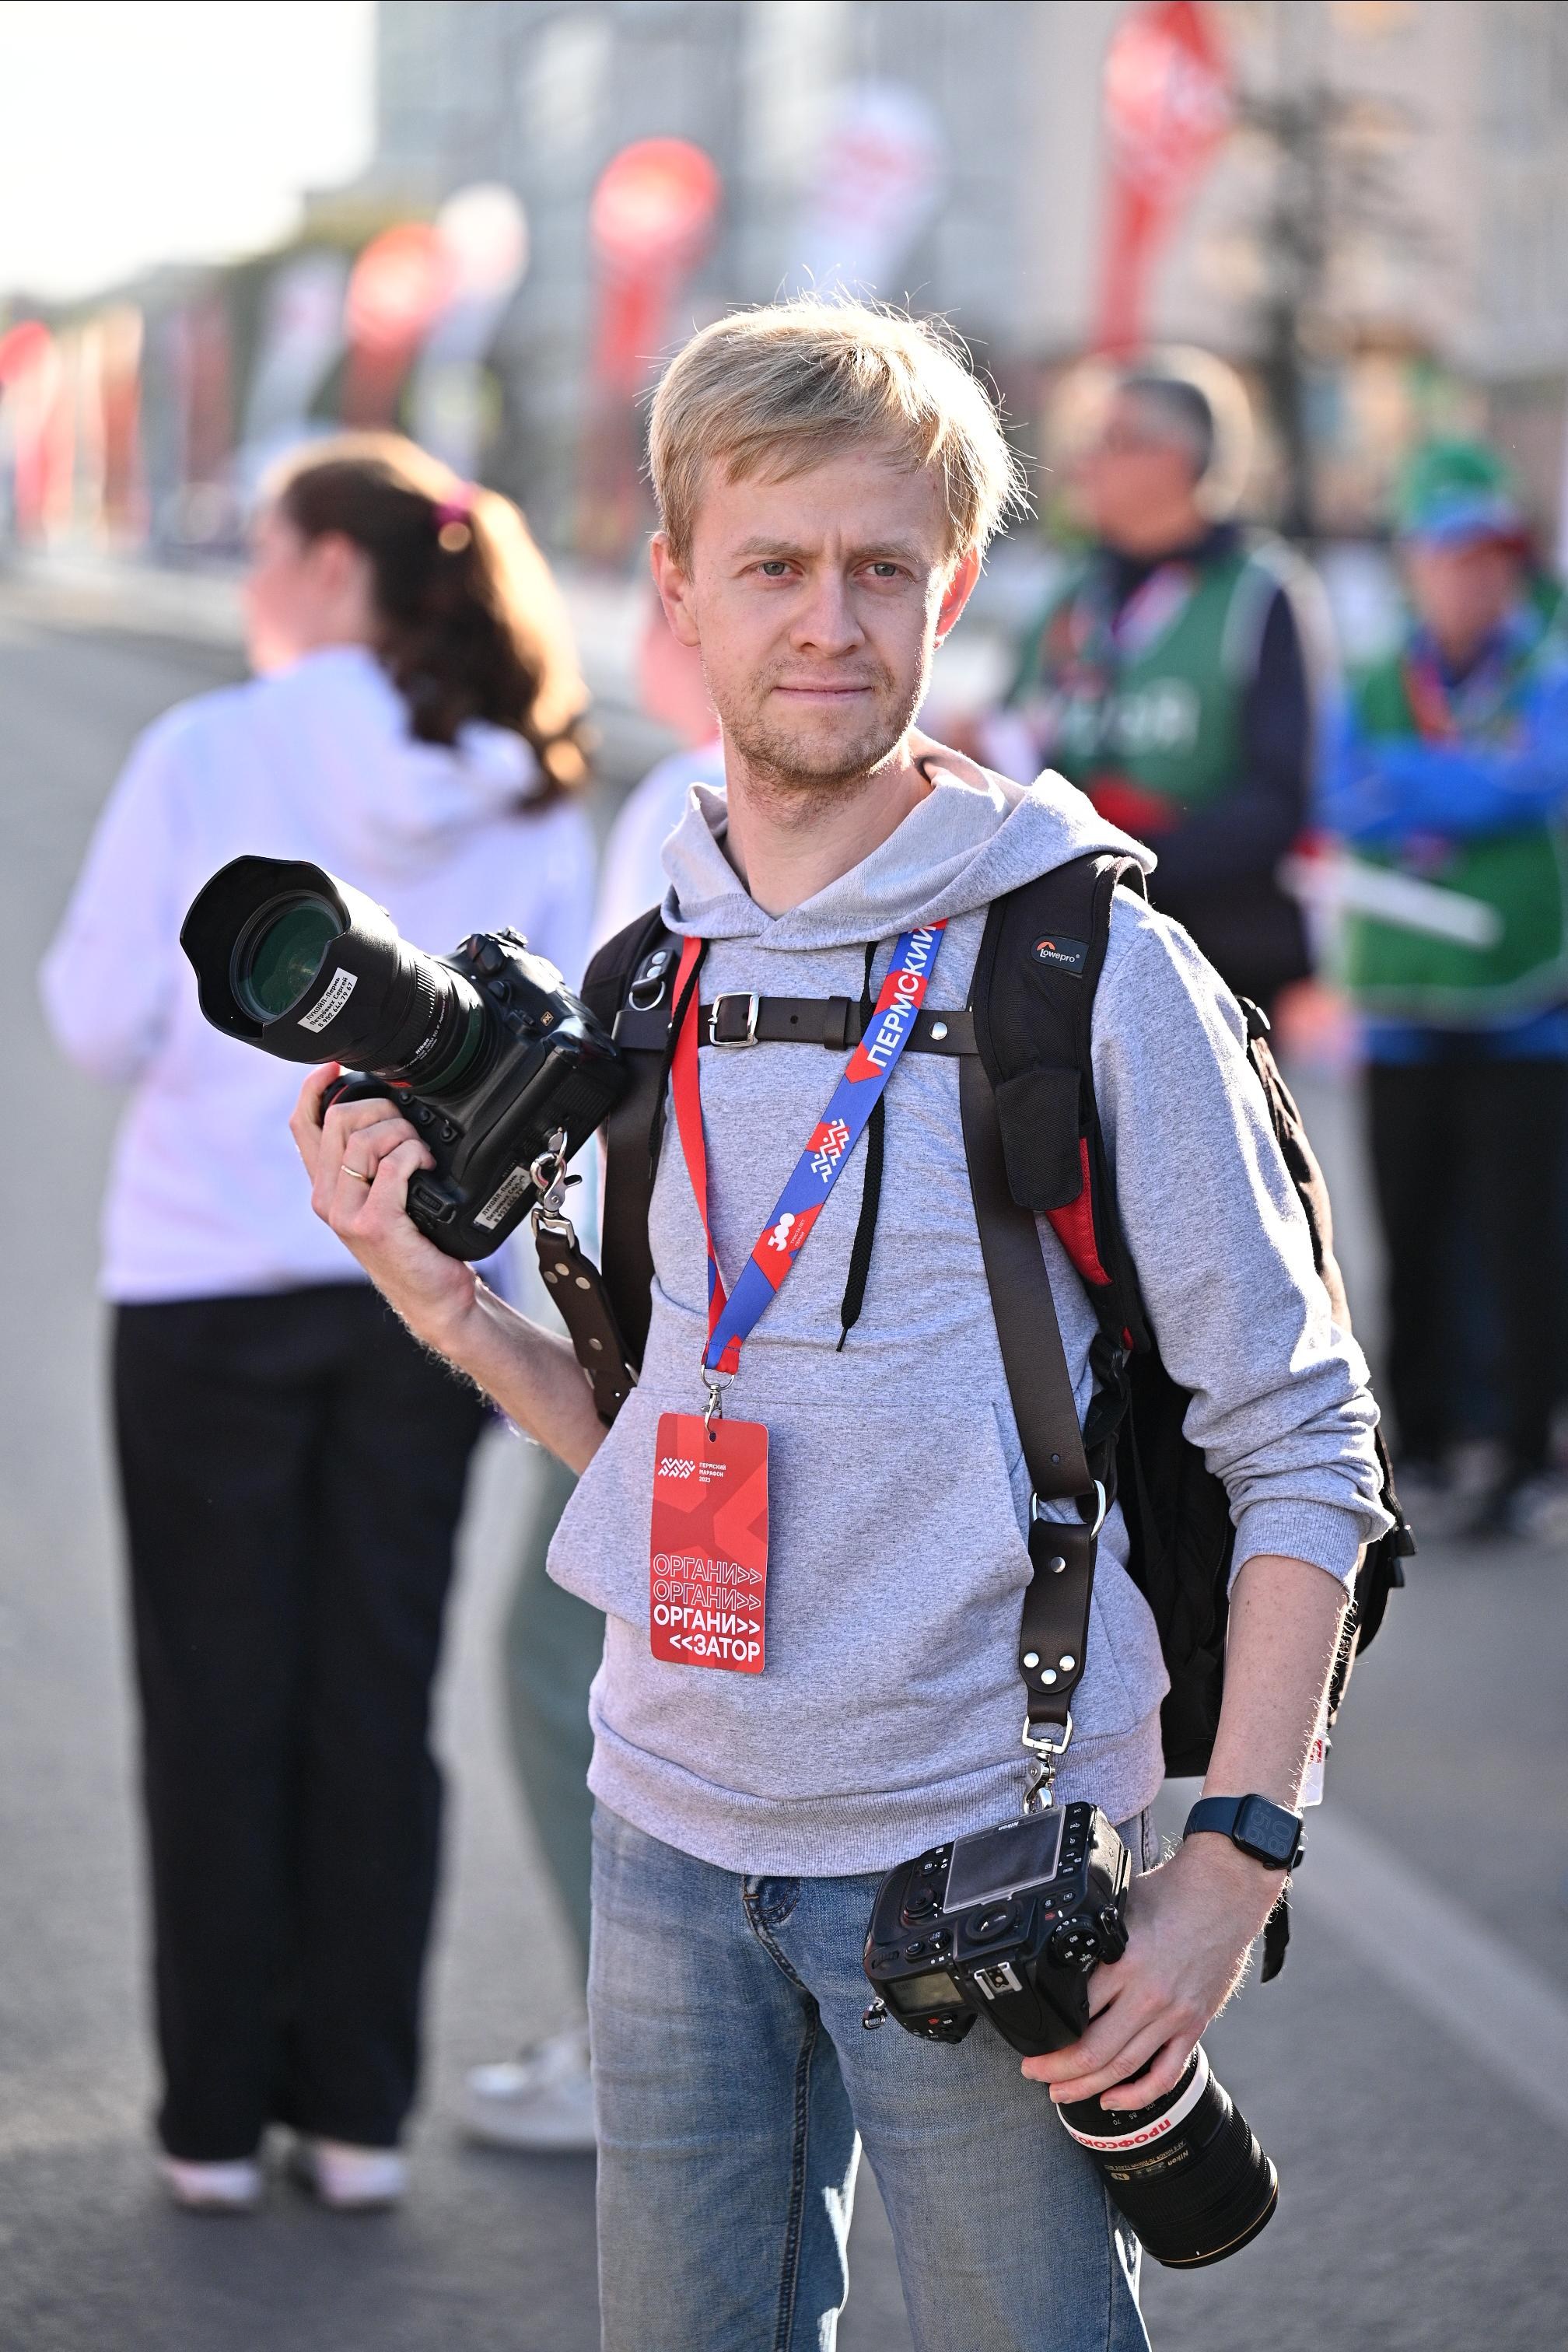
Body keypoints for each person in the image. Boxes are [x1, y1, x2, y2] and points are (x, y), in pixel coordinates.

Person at [291, 301, 1388, 2348]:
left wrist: (1234, 1855)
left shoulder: (1085, 956)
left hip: (977, 1844)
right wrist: (454, 1317)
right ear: (674, 590)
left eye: (881, 568)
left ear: (948, 589)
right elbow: (670, 1431)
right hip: (668, 1826)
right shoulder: (641, 975)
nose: (829, 621)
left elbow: (1302, 1430)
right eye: (775, 566)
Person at [40, 433, 596, 2213]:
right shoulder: (528, 776)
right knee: (377, 1691)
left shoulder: (209, 747)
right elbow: (570, 1039)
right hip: (423, 1299)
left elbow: (95, 1016)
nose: (260, 579)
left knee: (215, 1698)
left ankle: (212, 2125)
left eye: (272, 546)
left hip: (205, 1276)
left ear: (329, 569)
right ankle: (357, 2120)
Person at [464, 601, 726, 2152]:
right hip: (758, 1349)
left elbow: (612, 1089)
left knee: (583, 1669)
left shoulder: (678, 803)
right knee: (715, 1697)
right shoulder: (965, 805)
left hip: (685, 1363)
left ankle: (646, 2055)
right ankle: (708, 2057)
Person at [1320, 438, 1568, 1538]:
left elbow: (1534, 779)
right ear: (1414, 565)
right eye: (1451, 558)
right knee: (1404, 1237)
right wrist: (1469, 787)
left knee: (1527, 1244)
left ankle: (1524, 1453)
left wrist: (1419, 786)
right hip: (1402, 1008)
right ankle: (1417, 1449)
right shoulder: (1373, 680)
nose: (1474, 579)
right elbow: (1340, 797)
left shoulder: (1548, 666)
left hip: (1527, 1007)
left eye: (1491, 560)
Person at [996, 350, 1321, 1011]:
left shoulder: (1258, 592)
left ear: (1175, 458)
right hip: (1075, 941)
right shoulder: (1073, 592)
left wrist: (1136, 859)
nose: (1084, 464)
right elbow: (1019, 738)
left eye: (1111, 442)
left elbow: (1280, 796)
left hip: (1219, 952)